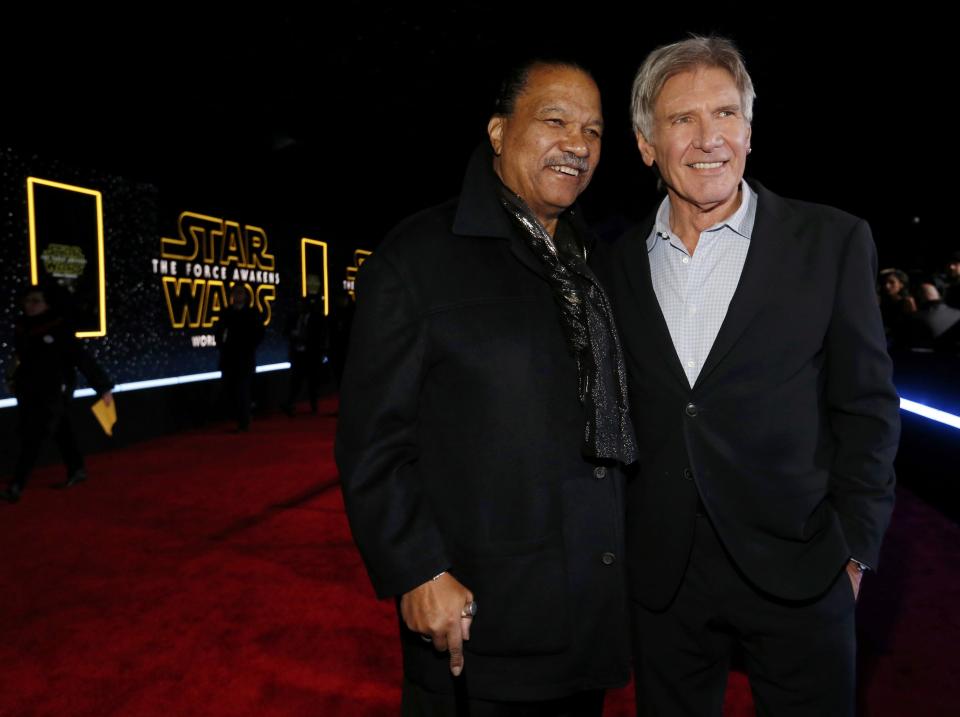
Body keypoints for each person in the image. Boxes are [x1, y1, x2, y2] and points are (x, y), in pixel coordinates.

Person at [600, 36, 900, 716]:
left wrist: (853, 550)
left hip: (800, 563)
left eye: (726, 114)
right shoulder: (613, 266)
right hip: (665, 574)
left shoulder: (832, 241)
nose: (710, 138)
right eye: (682, 120)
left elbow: (868, 408)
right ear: (646, 143)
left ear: (750, 130)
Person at [335, 60, 636, 716]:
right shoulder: (419, 257)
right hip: (479, 624)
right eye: (554, 120)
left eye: (593, 129)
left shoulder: (599, 266)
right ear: (499, 132)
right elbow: (372, 440)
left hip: (587, 613)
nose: (578, 143)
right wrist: (414, 566)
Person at [2, 286, 113, 504]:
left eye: (36, 301)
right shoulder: (23, 327)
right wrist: (13, 380)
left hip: (53, 391)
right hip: (30, 391)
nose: (30, 305)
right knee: (61, 430)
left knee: (32, 436)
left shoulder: (59, 327)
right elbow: (20, 359)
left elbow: (81, 358)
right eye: (27, 301)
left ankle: (16, 486)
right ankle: (77, 469)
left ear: (47, 304)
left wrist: (103, 387)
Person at [216, 284, 263, 432]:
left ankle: (244, 422)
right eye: (236, 293)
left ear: (245, 296)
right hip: (229, 359)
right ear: (232, 295)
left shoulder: (252, 313)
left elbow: (259, 333)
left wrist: (249, 347)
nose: (238, 296)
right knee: (231, 390)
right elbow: (218, 332)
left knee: (243, 390)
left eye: (241, 293)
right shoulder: (226, 313)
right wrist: (222, 345)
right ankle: (242, 417)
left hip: (245, 359)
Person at [281, 295, 328, 415]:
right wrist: (293, 334)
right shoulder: (294, 317)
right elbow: (285, 331)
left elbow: (321, 335)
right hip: (298, 354)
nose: (300, 307)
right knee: (295, 381)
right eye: (299, 305)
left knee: (312, 382)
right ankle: (290, 404)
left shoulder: (317, 318)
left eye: (302, 305)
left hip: (312, 355)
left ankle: (314, 406)